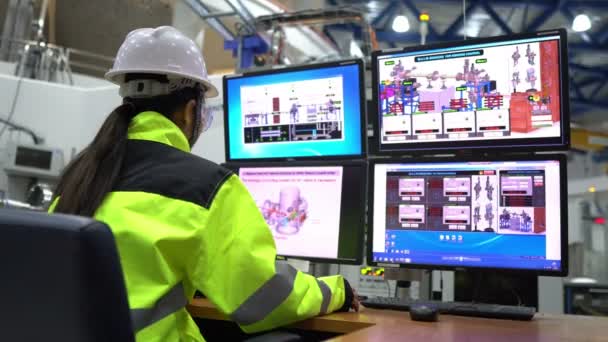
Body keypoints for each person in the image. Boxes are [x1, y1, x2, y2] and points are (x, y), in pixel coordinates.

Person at [49, 26, 358, 342]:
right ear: (191, 111)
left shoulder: (80, 176)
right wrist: (336, 291)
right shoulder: (206, 187)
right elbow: (266, 297)